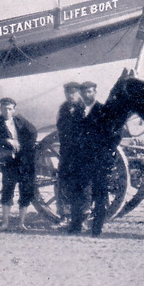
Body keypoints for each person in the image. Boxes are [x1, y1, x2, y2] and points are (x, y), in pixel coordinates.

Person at [69, 81, 118, 236]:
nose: (87, 95)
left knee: (100, 193)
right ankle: (76, 226)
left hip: (99, 159)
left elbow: (115, 135)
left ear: (95, 92)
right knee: (79, 192)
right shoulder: (76, 111)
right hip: (81, 160)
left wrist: (107, 151)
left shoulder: (104, 111)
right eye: (84, 92)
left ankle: (97, 228)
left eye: (90, 92)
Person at [0, 97, 38, 230]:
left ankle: (21, 223)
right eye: (4, 108)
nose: (7, 111)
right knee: (7, 190)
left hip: (24, 161)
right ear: (0, 109)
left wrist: (23, 146)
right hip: (8, 161)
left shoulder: (20, 120)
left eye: (10, 109)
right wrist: (7, 141)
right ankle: (5, 223)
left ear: (14, 109)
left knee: (25, 190)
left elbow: (33, 132)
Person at [55, 81, 85, 227]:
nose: (70, 96)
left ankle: (82, 218)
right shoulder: (63, 108)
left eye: (73, 93)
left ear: (79, 93)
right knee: (64, 183)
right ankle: (65, 216)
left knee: (83, 186)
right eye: (68, 93)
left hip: (82, 152)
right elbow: (59, 127)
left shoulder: (85, 108)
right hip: (66, 152)